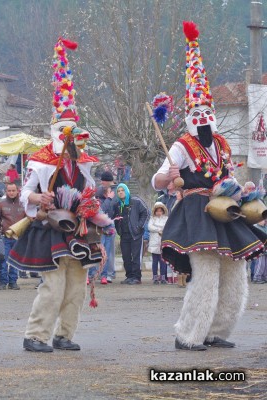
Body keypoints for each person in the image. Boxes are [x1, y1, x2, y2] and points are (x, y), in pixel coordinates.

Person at [151, 21, 267, 351]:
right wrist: (168, 175)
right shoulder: (181, 145)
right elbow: (156, 179)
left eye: (206, 110)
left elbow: (226, 175)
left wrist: (241, 188)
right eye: (196, 111)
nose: (202, 116)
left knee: (235, 273)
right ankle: (188, 334)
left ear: (213, 113)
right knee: (207, 276)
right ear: (190, 115)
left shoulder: (222, 144)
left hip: (224, 211)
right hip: (197, 212)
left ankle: (217, 330)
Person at [7, 38, 103, 353]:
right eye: (66, 131)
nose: (70, 138)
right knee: (53, 287)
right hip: (50, 228)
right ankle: (35, 335)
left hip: (78, 228)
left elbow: (89, 191)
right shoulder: (40, 161)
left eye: (73, 132)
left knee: (76, 288)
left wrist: (91, 205)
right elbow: (25, 195)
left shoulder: (84, 163)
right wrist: (39, 200)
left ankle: (64, 335)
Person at [110, 183, 149, 285]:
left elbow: (145, 213)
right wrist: (118, 229)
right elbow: (114, 218)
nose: (120, 192)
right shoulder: (117, 205)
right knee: (126, 256)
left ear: (126, 191)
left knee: (136, 256)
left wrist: (139, 226)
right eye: (118, 191)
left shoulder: (136, 201)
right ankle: (129, 276)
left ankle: (137, 277)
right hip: (124, 235)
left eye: (122, 190)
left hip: (135, 234)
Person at [0, 182, 26, 289]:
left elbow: (27, 220)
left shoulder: (23, 204)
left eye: (13, 190)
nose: (11, 193)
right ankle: (2, 282)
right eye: (9, 190)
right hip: (5, 237)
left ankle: (13, 282)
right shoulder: (0, 204)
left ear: (18, 191)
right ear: (6, 191)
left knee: (15, 261)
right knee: (3, 261)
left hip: (18, 237)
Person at [148, 202, 169, 284]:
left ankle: (163, 277)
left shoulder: (166, 218)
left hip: (163, 242)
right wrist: (159, 229)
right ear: (155, 211)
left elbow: (167, 227)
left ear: (163, 211)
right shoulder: (152, 218)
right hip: (154, 242)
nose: (159, 213)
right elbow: (150, 227)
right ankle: (155, 277)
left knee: (163, 261)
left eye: (160, 211)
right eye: (157, 211)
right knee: (155, 261)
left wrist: (156, 227)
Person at [252, 219, 267, 284]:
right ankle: (257, 278)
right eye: (263, 220)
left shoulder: (265, 227)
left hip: (266, 248)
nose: (264, 221)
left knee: (265, 264)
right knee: (260, 264)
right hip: (260, 249)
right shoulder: (256, 227)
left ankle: (264, 277)